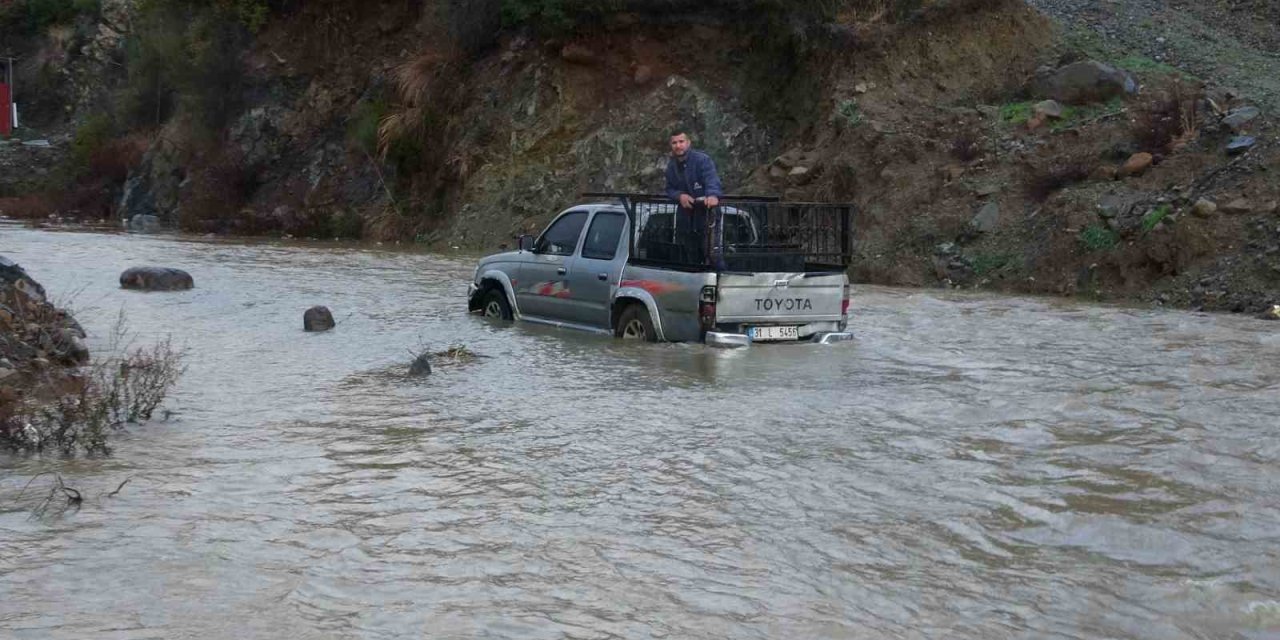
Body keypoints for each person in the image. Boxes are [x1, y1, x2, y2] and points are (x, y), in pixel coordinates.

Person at [664, 130, 723, 266]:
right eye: (674, 143)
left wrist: (713, 195)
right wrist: (680, 196)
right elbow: (669, 189)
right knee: (688, 254)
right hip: (686, 216)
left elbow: (711, 179)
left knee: (711, 252)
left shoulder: (702, 160)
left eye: (681, 141)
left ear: (688, 143)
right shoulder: (671, 166)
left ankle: (718, 280)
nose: (678, 146)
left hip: (707, 213)